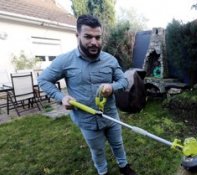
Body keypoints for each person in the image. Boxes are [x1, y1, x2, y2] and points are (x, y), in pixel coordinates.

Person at [38, 14, 137, 175]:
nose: (94, 42)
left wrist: (112, 87)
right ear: (77, 36)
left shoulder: (110, 60)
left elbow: (124, 82)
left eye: (98, 37)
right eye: (88, 37)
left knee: (118, 144)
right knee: (97, 151)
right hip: (87, 120)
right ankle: (102, 171)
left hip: (110, 115)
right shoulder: (65, 60)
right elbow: (43, 80)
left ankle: (124, 166)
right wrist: (61, 97)